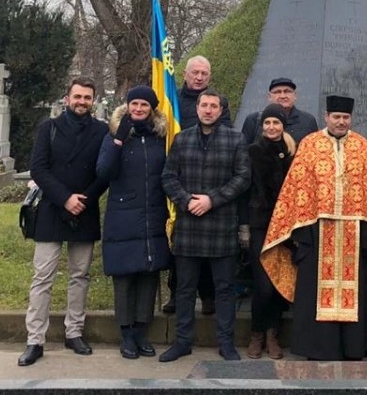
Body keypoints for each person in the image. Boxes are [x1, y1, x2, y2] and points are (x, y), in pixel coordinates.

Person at [260, 95, 367, 361]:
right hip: (316, 232)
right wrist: (299, 232)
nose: (341, 122)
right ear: (326, 117)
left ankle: (355, 347)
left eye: (345, 118)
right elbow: (296, 188)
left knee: (357, 288)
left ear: (350, 119)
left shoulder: (362, 145)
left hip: (355, 233)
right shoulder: (310, 145)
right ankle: (319, 347)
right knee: (313, 289)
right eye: (336, 117)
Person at [20, 77, 110, 366]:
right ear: (67, 98)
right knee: (42, 277)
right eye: (78, 97)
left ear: (93, 100)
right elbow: (39, 168)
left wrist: (83, 199)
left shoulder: (101, 131)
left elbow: (104, 171)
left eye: (87, 97)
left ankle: (74, 332)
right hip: (52, 208)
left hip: (85, 209)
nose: (82, 102)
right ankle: (35, 339)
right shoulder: (50, 128)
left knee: (80, 275)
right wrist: (65, 198)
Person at [158, 90, 251, 362]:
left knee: (224, 289)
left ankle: (226, 343)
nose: (208, 110)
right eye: (204, 105)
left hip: (221, 226)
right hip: (189, 226)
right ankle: (182, 342)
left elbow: (243, 178)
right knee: (185, 289)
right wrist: (186, 201)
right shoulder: (182, 138)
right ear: (197, 109)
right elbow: (168, 177)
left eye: (214, 106)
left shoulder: (236, 139)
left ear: (221, 111)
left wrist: (212, 199)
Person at [95, 86, 172, 360]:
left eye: (144, 105)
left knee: (148, 275)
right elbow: (104, 171)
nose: (138, 109)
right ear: (127, 106)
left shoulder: (159, 137)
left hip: (153, 214)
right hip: (123, 215)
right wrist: (118, 139)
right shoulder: (116, 135)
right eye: (134, 104)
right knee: (125, 276)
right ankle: (126, 334)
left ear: (152, 109)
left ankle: (141, 331)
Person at [163, 55, 226, 316]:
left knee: (210, 249)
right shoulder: (172, 100)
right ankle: (176, 293)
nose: (199, 77)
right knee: (180, 242)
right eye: (195, 73)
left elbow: (226, 131)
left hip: (210, 179)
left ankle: (208, 295)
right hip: (181, 176)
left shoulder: (219, 101)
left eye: (204, 73)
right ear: (185, 74)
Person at [244, 103, 296, 360]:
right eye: (267, 123)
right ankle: (257, 333)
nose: (272, 127)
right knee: (263, 285)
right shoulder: (252, 151)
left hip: (286, 228)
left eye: (276, 123)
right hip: (260, 225)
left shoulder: (291, 153)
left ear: (283, 126)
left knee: (279, 283)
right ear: (262, 126)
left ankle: (273, 335)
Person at [240, 77, 319, 144]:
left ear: (295, 95)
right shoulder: (253, 120)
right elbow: (243, 153)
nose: (282, 96)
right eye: (277, 92)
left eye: (287, 91)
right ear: (269, 97)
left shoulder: (308, 120)